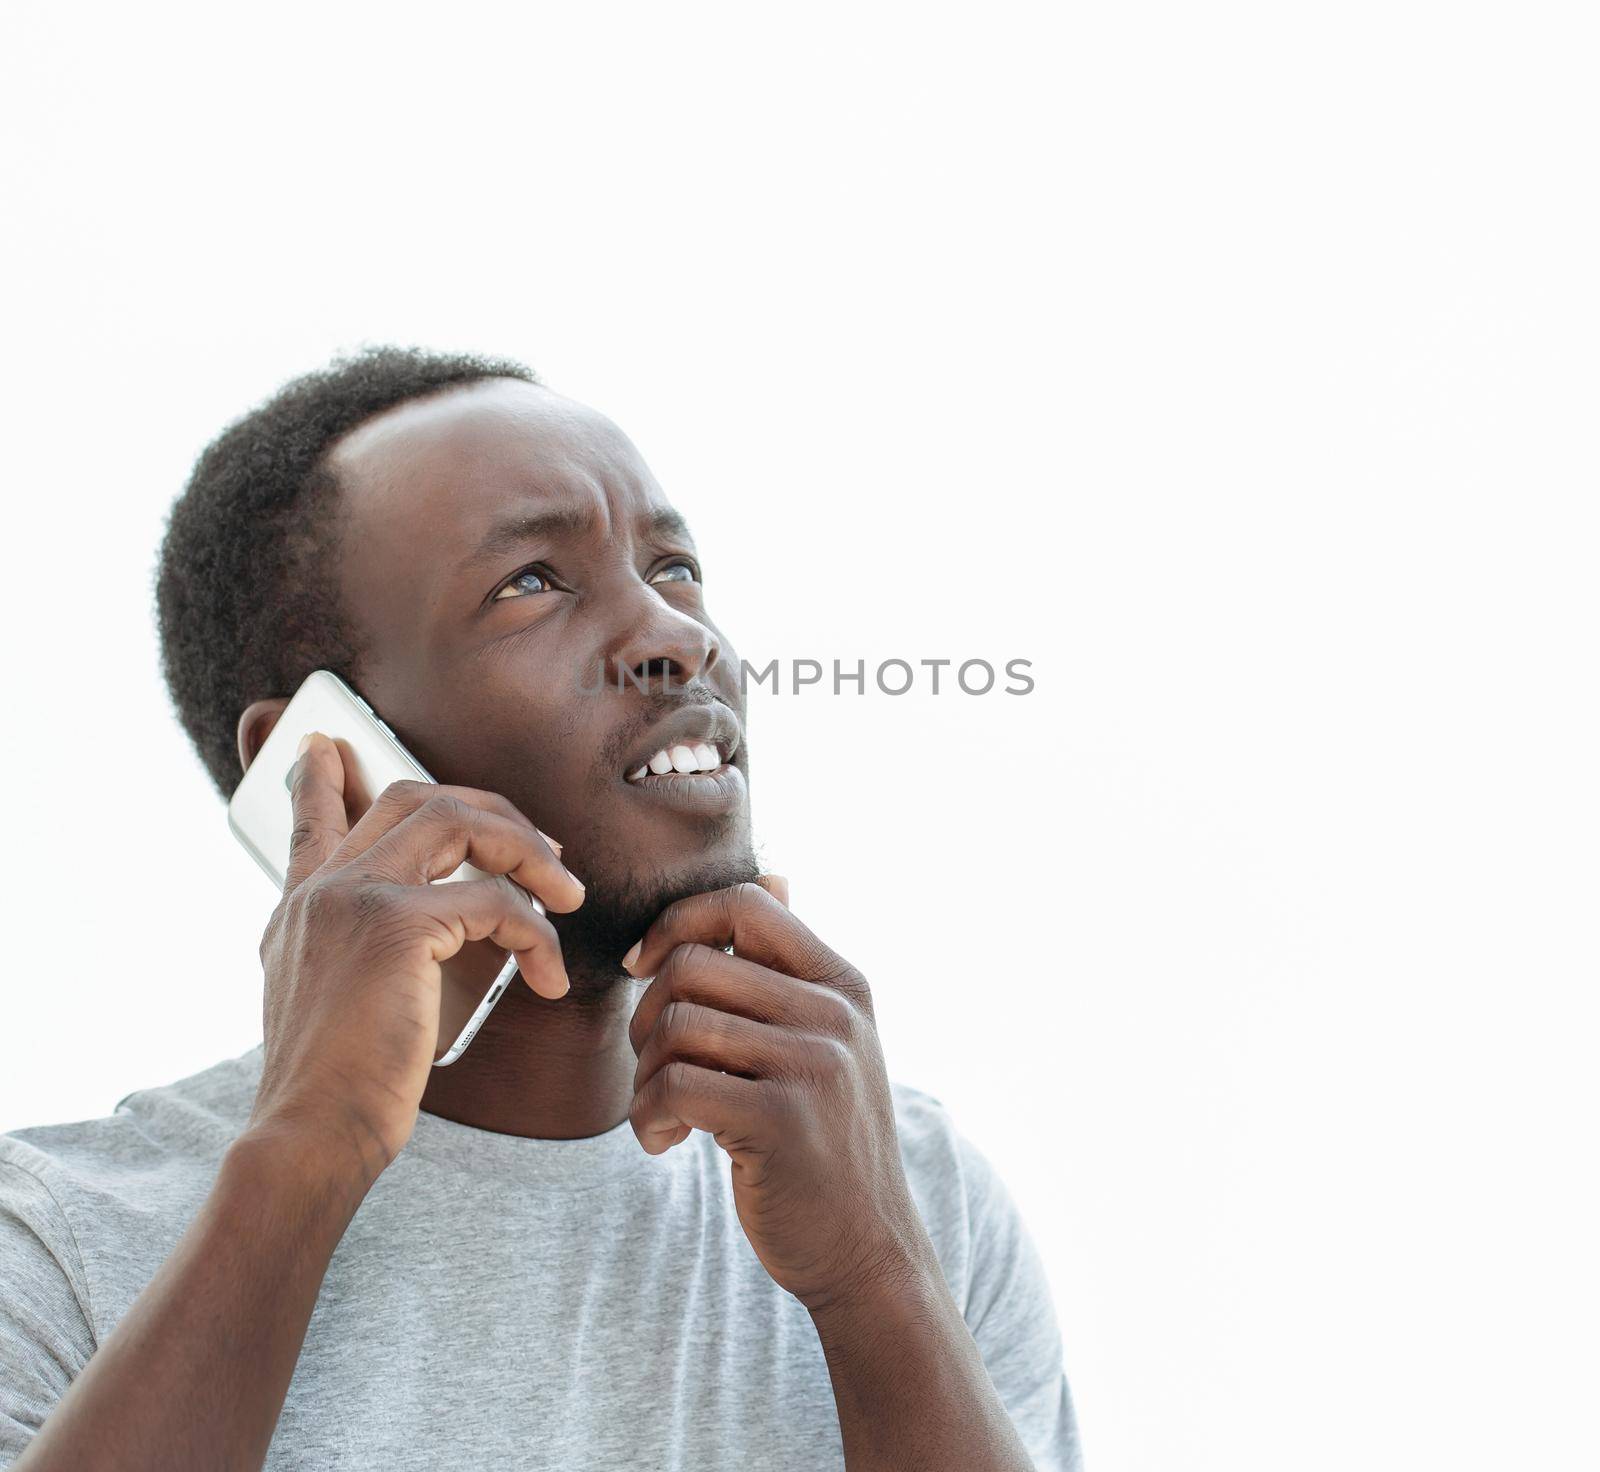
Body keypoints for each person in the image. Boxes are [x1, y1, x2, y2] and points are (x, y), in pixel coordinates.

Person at [0, 348, 1082, 1471]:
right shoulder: (59, 1246)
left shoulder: (919, 1200)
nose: (678, 637)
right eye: (532, 582)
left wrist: (872, 1277)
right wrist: (304, 1158)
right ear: (318, 760)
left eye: (675, 566)